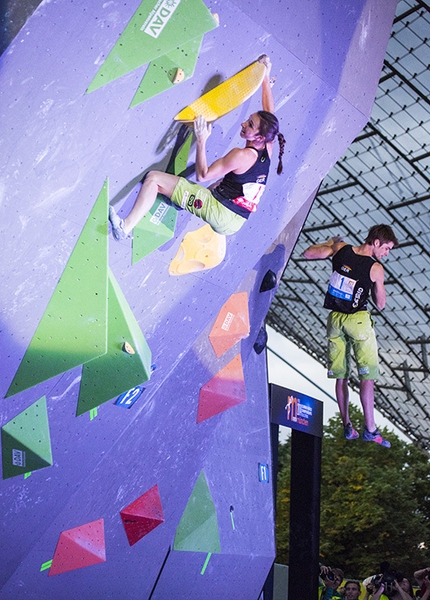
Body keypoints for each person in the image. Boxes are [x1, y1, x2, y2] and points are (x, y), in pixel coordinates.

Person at [109, 54, 285, 241]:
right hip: (237, 220)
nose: (243, 124)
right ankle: (178, 198)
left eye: (249, 125)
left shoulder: (241, 155)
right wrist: (264, 76)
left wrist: (201, 140)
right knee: (217, 185)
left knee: (154, 179)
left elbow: (203, 175)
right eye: (248, 120)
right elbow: (268, 113)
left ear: (259, 137)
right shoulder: (267, 143)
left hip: (221, 211)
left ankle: (124, 228)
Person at [303, 224, 399, 446]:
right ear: (376, 242)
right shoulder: (376, 268)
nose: (386, 254)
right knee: (367, 376)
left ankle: (347, 425)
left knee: (341, 375)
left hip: (335, 321)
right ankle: (370, 428)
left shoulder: (341, 249)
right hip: (358, 322)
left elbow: (308, 254)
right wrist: (375, 285)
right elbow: (381, 304)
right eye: (386, 248)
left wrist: (330, 243)